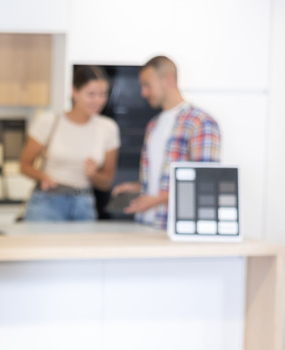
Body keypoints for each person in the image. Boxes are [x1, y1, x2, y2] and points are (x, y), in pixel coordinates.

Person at [112, 55, 221, 229]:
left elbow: (205, 183)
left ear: (168, 80)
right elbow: (159, 180)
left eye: (147, 85)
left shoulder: (200, 123)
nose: (143, 93)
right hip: (145, 224)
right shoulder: (153, 125)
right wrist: (135, 187)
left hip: (175, 228)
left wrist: (156, 200)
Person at [19, 65, 120, 221]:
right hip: (48, 203)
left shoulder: (108, 128)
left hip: (84, 204)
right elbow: (24, 166)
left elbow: (106, 183)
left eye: (103, 94)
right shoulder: (49, 121)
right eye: (91, 94)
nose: (98, 101)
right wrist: (43, 176)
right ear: (74, 92)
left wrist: (93, 174)